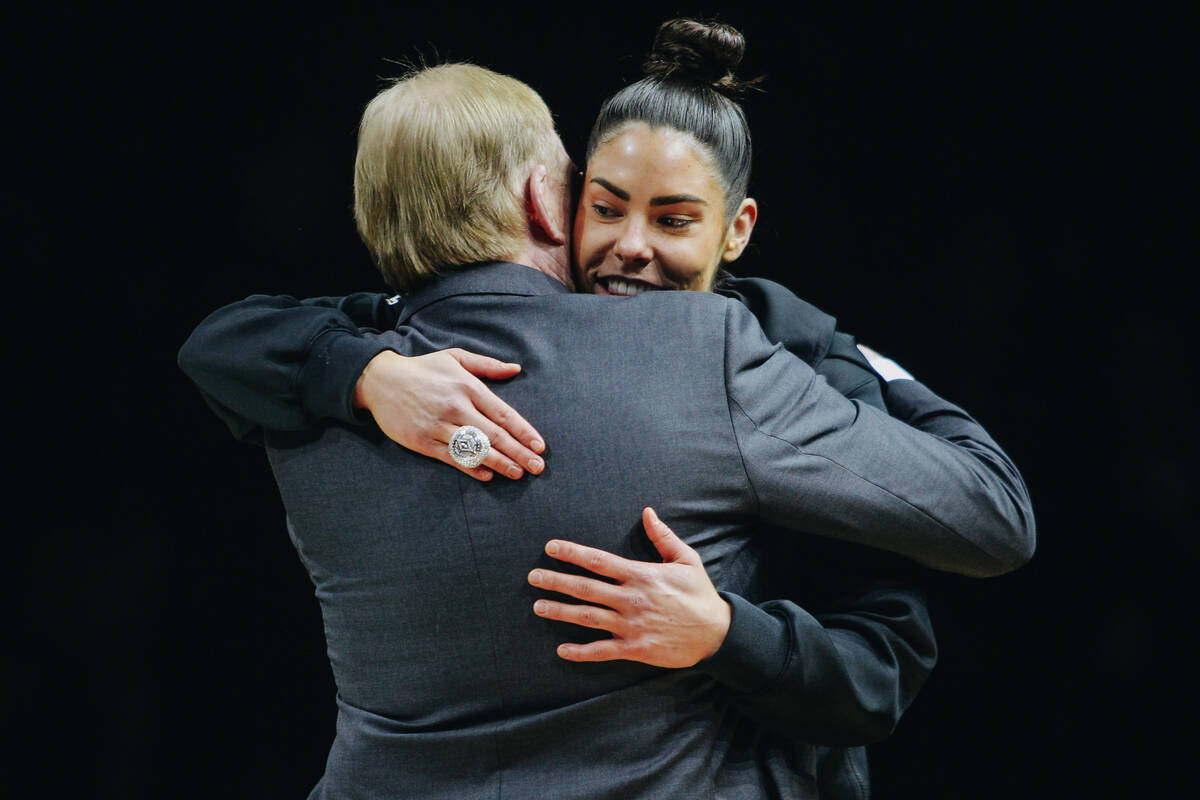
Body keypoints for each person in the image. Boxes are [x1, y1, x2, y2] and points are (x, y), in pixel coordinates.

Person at [180, 35, 1033, 800]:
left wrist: (732, 634)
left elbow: (879, 663)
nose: (630, 246)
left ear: (737, 231)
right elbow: (993, 517)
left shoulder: (320, 383)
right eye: (604, 204)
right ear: (554, 203)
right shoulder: (712, 358)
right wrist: (366, 373)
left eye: (672, 219)